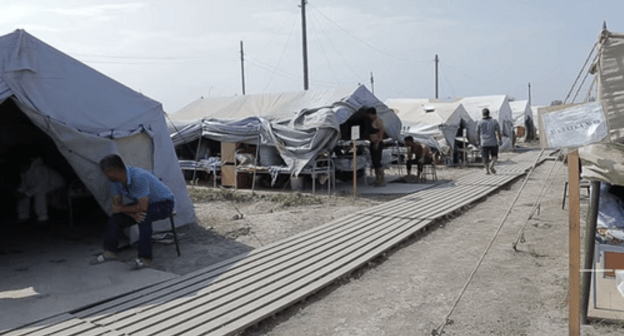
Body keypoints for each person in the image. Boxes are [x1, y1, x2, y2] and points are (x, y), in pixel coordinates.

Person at [91, 154, 175, 269]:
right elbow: (117, 205)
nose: (105, 175)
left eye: (107, 172)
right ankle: (110, 251)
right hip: (144, 204)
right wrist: (131, 212)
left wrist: (126, 210)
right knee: (116, 218)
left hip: (164, 204)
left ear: (115, 170)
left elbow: (142, 207)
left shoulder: (138, 177)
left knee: (143, 217)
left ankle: (145, 258)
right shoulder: (115, 181)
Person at [16, 157, 66, 225]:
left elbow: (42, 184)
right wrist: (20, 191)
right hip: (41, 186)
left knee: (39, 193)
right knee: (23, 194)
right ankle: (23, 216)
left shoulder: (38, 168)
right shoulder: (23, 170)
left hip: (55, 184)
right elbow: (24, 184)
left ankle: (43, 217)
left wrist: (28, 193)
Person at [476, 108, 502, 174]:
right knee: (494, 156)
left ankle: (487, 171)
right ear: (489, 113)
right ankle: (492, 165)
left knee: (485, 157)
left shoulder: (479, 122)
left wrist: (477, 141)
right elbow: (498, 131)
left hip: (484, 143)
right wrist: (500, 139)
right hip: (493, 142)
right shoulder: (494, 121)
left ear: (482, 114)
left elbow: (477, 133)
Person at [365, 107, 386, 186]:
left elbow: (381, 132)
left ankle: (383, 179)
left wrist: (377, 142)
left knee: (378, 162)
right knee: (374, 162)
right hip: (372, 142)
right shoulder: (372, 121)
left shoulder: (378, 121)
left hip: (378, 143)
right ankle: (377, 179)